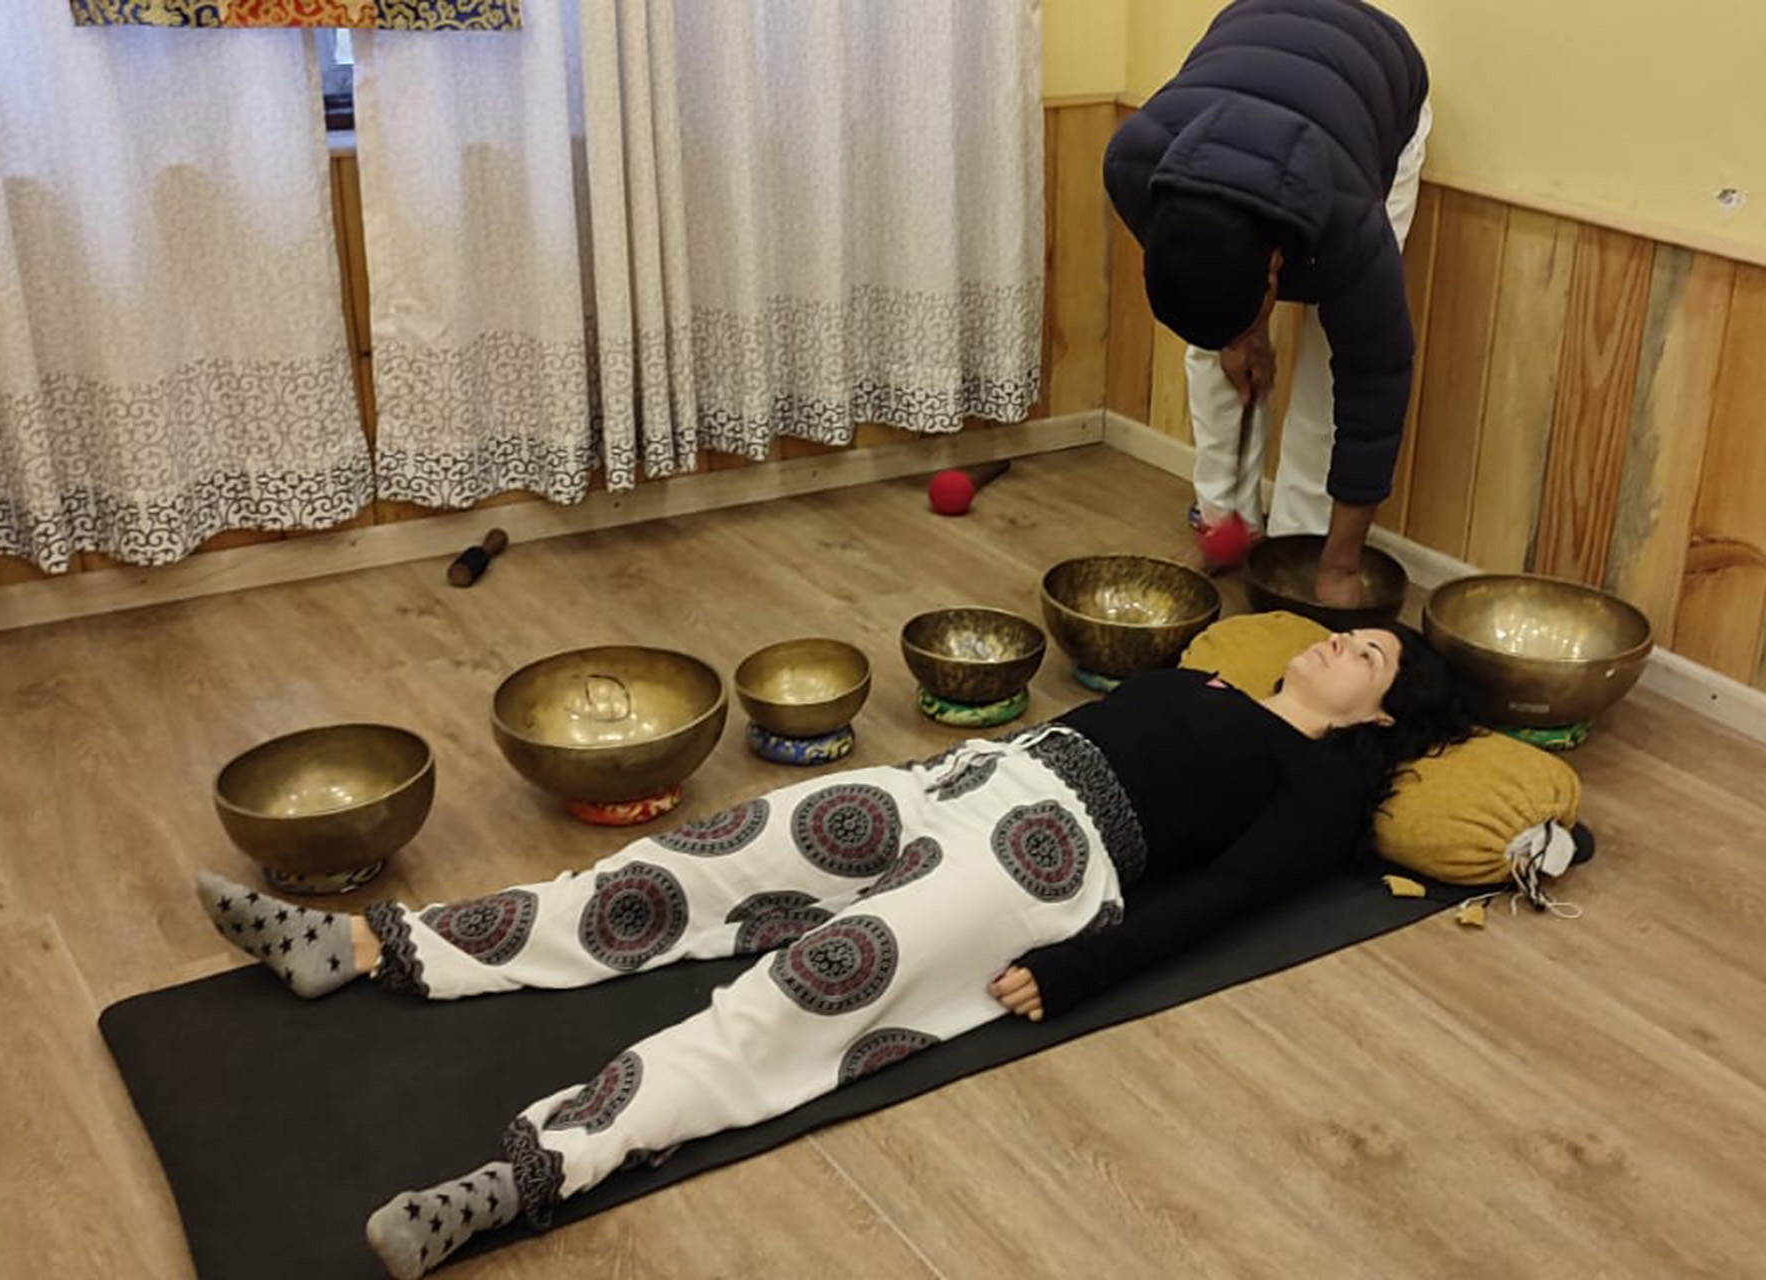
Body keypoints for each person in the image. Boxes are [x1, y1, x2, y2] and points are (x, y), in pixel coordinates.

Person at [195, 623, 1473, 1279]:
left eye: (1370, 652)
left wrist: (1086, 970)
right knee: (697, 859)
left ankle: (532, 1173)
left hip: (1048, 861)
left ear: (1383, 709)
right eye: (1349, 628)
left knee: (800, 992)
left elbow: (1235, 898)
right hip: (963, 775)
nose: (1338, 641)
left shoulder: (1320, 787)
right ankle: (369, 944)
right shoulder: (1212, 684)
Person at [1104, 0, 1432, 606]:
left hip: (1377, 80)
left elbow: (1374, 390)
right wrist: (1236, 335)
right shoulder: (1136, 162)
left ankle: (1301, 548)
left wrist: (1341, 568)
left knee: (1326, 371)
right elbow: (1202, 286)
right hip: (1249, 44)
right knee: (1210, 347)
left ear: (1275, 268)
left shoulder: (1351, 229)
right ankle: (1225, 521)